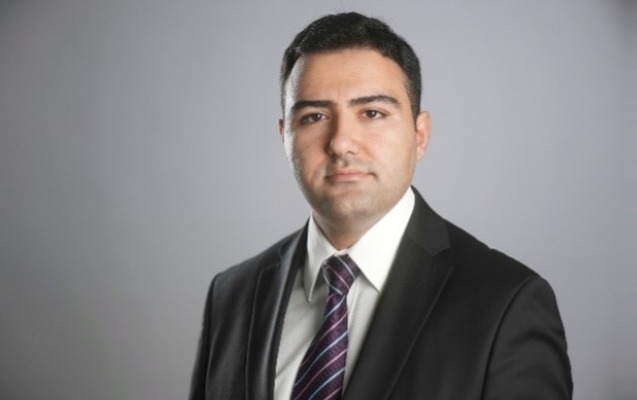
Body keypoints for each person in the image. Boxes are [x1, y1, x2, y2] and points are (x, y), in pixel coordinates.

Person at [189, 12, 572, 400]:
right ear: (285, 136)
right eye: (314, 116)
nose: (341, 142)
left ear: (419, 135)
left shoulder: (506, 303)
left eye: (372, 113)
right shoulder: (231, 296)